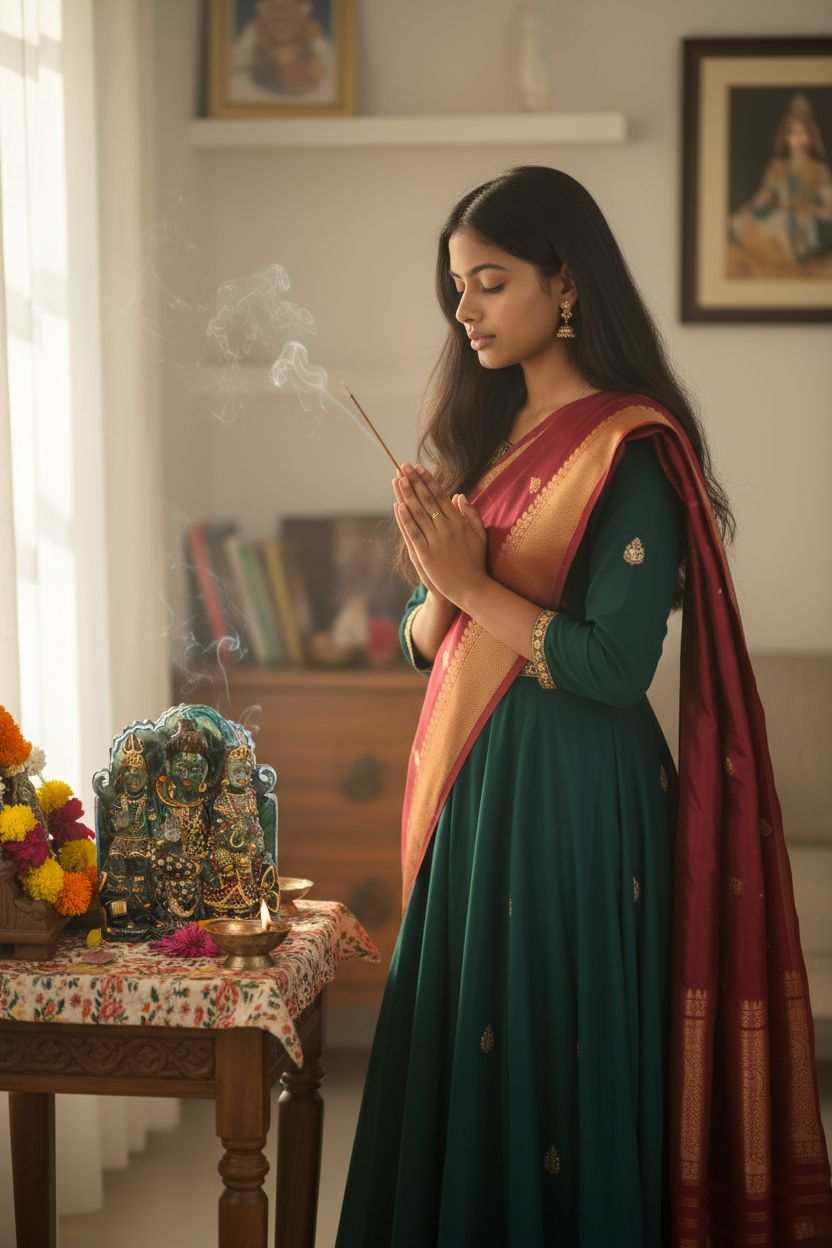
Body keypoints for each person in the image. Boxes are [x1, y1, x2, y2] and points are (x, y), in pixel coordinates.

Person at [335, 166, 832, 1247]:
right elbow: (430, 643)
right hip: (481, 798)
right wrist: (433, 567)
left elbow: (612, 666)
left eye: (489, 282)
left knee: (557, 1057)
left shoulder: (631, 448)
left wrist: (467, 586)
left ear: (565, 283)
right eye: (455, 286)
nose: (462, 309)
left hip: (576, 806)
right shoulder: (490, 433)